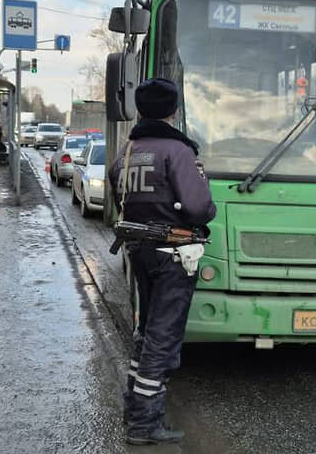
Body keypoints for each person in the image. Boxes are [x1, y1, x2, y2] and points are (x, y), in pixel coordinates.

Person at [108, 78, 216, 446]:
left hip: (139, 251)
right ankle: (144, 424)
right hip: (173, 254)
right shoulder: (177, 151)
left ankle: (133, 406)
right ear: (173, 112)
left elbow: (115, 185)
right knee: (162, 340)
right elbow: (200, 207)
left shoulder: (129, 149)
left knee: (145, 334)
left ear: (140, 110)